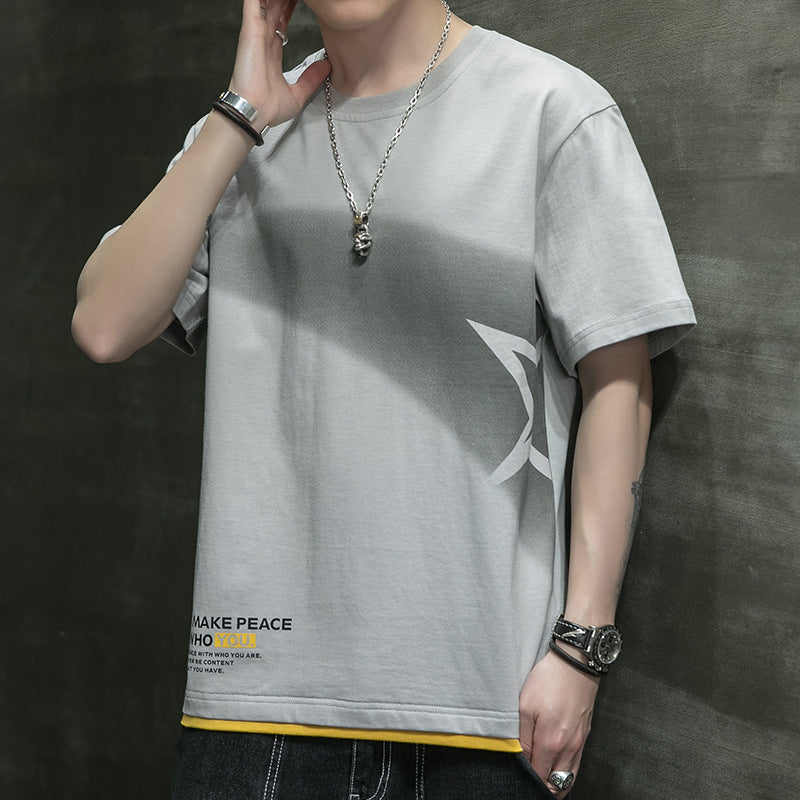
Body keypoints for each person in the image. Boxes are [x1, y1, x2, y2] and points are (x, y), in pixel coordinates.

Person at [72, 0, 696, 797]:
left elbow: (619, 379)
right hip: (256, 714)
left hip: (485, 711)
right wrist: (238, 118)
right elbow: (104, 326)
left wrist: (582, 646)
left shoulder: (550, 110)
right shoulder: (240, 137)